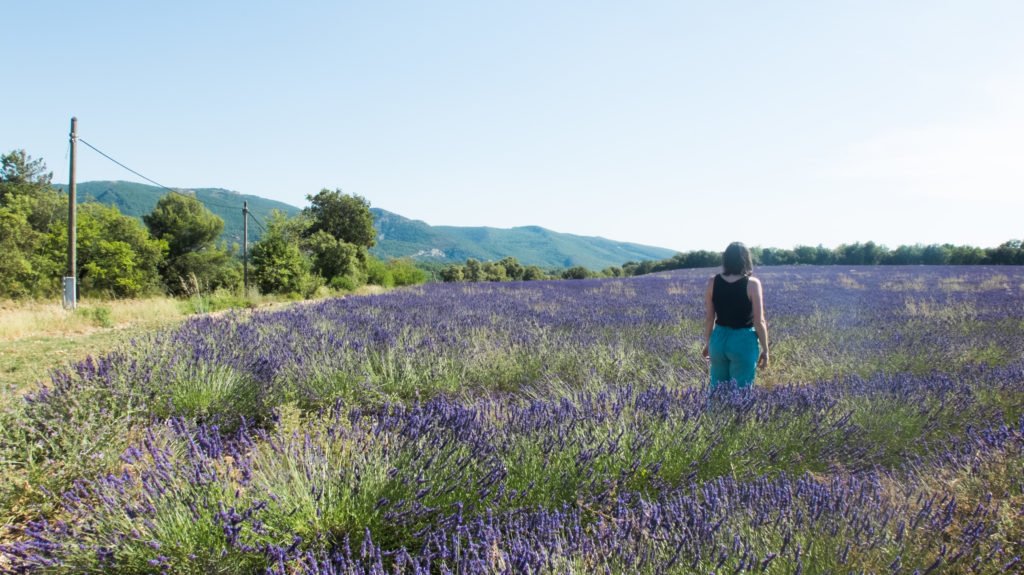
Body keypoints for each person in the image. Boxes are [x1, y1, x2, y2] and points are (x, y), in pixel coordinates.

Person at [700, 242, 769, 388]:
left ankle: (714, 412)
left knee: (717, 391)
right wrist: (765, 350)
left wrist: (708, 343)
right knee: (741, 392)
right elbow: (759, 321)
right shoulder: (752, 284)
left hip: (718, 340)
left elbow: (709, 318)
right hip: (743, 341)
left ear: (726, 260)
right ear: (746, 259)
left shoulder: (713, 282)